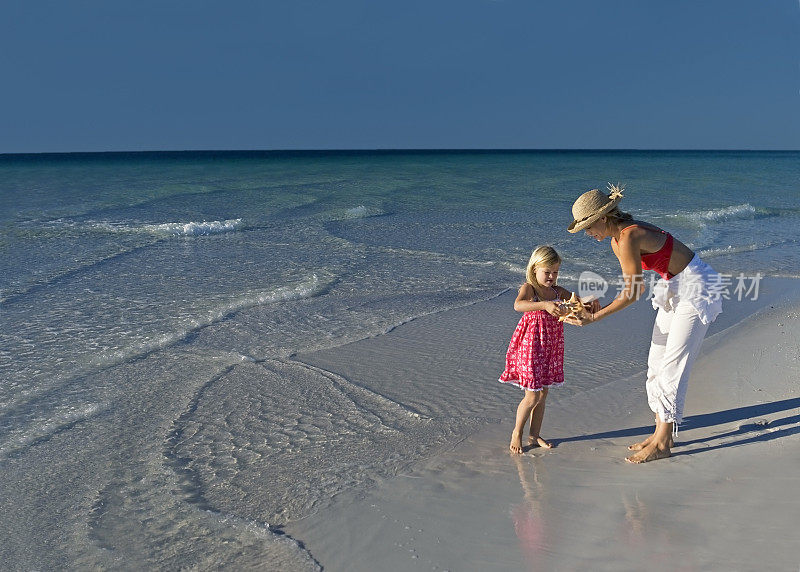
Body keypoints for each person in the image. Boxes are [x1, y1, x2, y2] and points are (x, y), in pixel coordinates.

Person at [565, 184, 722, 463]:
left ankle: (663, 442)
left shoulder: (628, 236)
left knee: (673, 365)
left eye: (588, 226)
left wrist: (594, 318)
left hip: (697, 286)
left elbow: (633, 292)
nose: (588, 234)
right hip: (674, 285)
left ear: (603, 218)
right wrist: (596, 302)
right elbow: (631, 284)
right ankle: (661, 432)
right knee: (656, 364)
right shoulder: (618, 239)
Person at [499, 245, 585, 454]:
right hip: (531, 346)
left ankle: (534, 434)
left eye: (555, 272)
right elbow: (518, 305)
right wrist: (545, 305)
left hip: (550, 347)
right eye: (547, 272)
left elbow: (576, 301)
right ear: (534, 268)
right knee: (532, 396)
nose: (552, 276)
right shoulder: (531, 289)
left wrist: (585, 305)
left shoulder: (558, 291)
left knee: (543, 394)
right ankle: (517, 433)